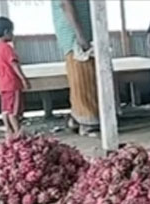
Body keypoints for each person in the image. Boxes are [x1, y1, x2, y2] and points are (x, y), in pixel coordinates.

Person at [52, 0, 99, 135]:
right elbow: (66, 5)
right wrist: (80, 36)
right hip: (75, 38)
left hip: (80, 35)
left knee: (84, 78)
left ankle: (77, 119)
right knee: (84, 80)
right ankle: (87, 123)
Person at [0, 17, 29, 136]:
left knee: (5, 110)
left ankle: (8, 131)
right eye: (12, 31)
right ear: (6, 32)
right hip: (12, 84)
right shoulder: (7, 48)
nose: (13, 34)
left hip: (2, 85)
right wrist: (23, 79)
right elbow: (14, 64)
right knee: (14, 112)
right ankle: (18, 133)